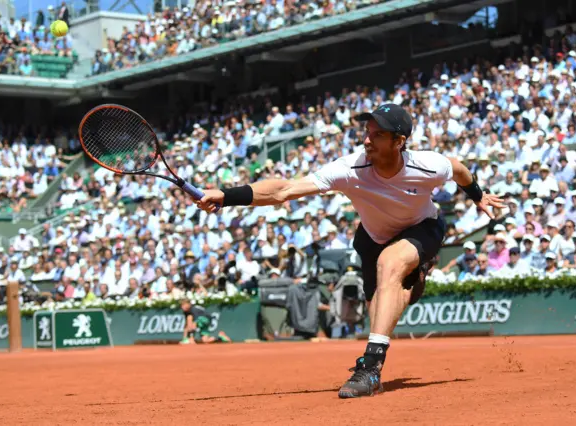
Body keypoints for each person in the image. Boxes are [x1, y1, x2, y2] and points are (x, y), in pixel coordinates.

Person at [194, 103, 502, 398]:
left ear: (399, 141)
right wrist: (226, 195)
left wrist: (478, 196)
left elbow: (460, 170)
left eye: (377, 134)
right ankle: (414, 284)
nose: (367, 139)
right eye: (366, 132)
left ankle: (369, 369)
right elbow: (284, 190)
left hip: (422, 227)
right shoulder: (349, 168)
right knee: (380, 307)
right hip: (373, 237)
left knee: (391, 263)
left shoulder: (427, 165)